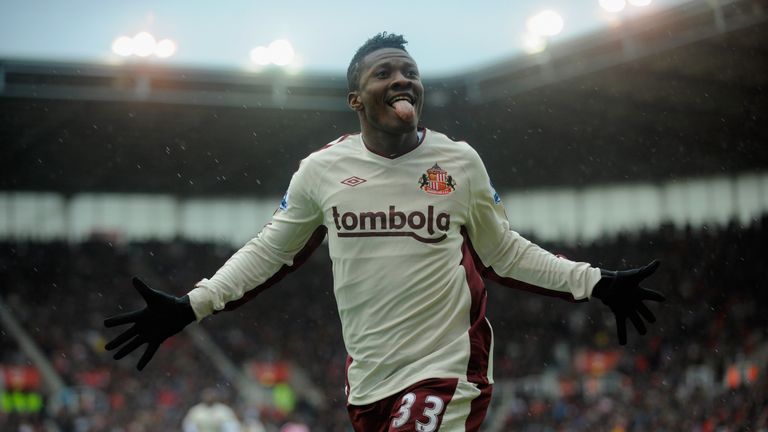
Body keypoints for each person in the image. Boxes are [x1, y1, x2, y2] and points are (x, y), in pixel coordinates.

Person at [104, 33, 665, 431]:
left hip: (447, 369)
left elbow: (502, 253)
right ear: (356, 100)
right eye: (385, 73)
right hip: (369, 382)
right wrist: (192, 306)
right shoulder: (321, 171)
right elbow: (271, 251)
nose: (402, 79)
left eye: (410, 72)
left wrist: (593, 282)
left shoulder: (459, 162)